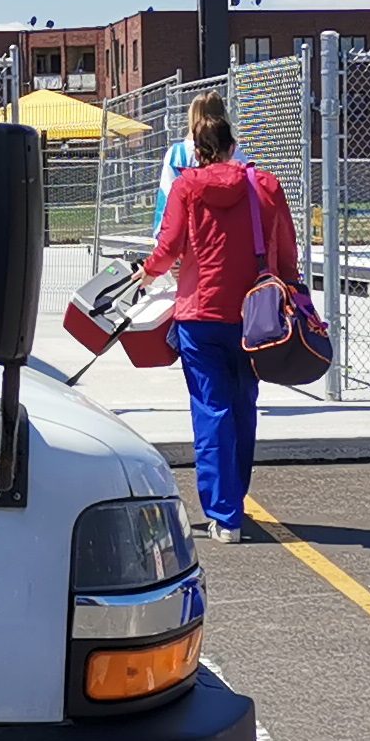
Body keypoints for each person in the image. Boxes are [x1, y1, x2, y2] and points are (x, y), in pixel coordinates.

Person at [141, 102, 301, 544]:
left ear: (197, 150)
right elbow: (286, 251)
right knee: (244, 404)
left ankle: (223, 513)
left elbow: (169, 246)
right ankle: (237, 497)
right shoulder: (265, 185)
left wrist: (147, 272)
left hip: (199, 313)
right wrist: (293, 289)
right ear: (233, 146)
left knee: (211, 410)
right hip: (255, 315)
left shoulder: (186, 187)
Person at [154, 91, 227, 234]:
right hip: (229, 236)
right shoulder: (234, 152)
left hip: (190, 240)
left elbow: (167, 201)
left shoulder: (176, 155)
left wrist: (161, 241)